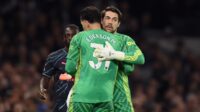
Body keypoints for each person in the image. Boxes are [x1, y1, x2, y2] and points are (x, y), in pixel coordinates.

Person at [64, 6, 127, 112]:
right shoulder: (117, 40)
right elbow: (129, 68)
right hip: (105, 97)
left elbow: (69, 68)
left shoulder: (79, 37)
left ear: (85, 22)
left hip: (82, 96)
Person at [98, 6, 145, 112]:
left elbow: (140, 58)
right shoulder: (93, 39)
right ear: (101, 20)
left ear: (118, 24)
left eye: (114, 20)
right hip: (98, 95)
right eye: (108, 18)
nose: (110, 22)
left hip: (120, 95)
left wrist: (114, 54)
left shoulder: (125, 39)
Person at [39, 24, 79, 112]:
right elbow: (45, 77)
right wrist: (43, 89)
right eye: (68, 35)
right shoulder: (53, 57)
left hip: (80, 103)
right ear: (63, 38)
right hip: (61, 105)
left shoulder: (85, 57)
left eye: (73, 35)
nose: (70, 38)